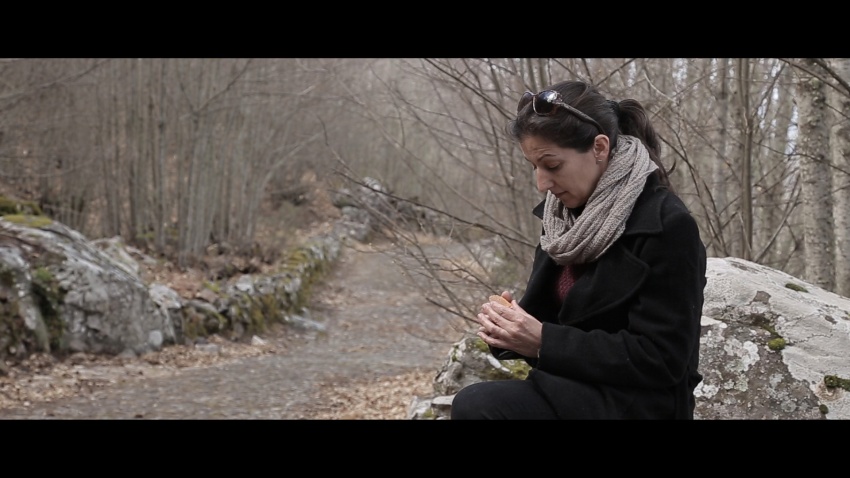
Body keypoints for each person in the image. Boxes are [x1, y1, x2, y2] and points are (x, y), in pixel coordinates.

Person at [450, 80, 707, 420]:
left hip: (637, 404)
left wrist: (543, 341)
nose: (542, 184)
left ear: (599, 147)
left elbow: (663, 358)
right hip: (569, 389)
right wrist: (509, 329)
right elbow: (554, 323)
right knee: (477, 403)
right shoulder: (561, 220)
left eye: (552, 165)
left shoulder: (667, 226)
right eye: (534, 167)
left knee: (480, 406)